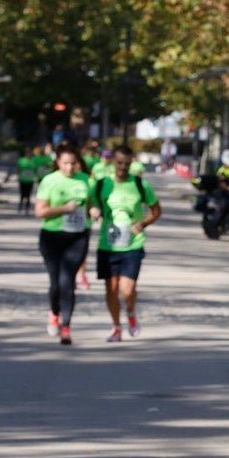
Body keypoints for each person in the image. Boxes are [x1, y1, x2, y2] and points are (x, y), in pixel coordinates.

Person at [92, 145, 162, 342]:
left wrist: (143, 223)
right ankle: (116, 326)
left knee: (127, 289)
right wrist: (94, 210)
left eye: (127, 164)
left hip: (133, 244)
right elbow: (90, 202)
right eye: (119, 163)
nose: (123, 167)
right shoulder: (101, 184)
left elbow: (156, 211)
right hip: (108, 245)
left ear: (132, 163)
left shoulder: (140, 185)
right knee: (111, 290)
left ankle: (131, 312)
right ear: (112, 162)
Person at [34, 147, 93, 346]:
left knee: (67, 282)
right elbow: (40, 212)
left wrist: (94, 210)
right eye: (65, 163)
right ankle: (54, 313)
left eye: (73, 163)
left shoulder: (85, 179)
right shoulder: (49, 181)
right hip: (52, 236)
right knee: (55, 283)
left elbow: (91, 202)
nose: (69, 167)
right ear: (58, 162)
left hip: (77, 237)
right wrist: (64, 209)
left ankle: (66, 326)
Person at [16, 144, 45, 215]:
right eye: (27, 153)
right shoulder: (21, 160)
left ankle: (27, 209)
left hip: (30, 180)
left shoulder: (33, 161)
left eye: (30, 153)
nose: (28, 154)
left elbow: (35, 169)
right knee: (22, 194)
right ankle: (20, 207)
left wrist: (36, 176)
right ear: (25, 154)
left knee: (28, 195)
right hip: (23, 180)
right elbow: (18, 169)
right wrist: (18, 177)